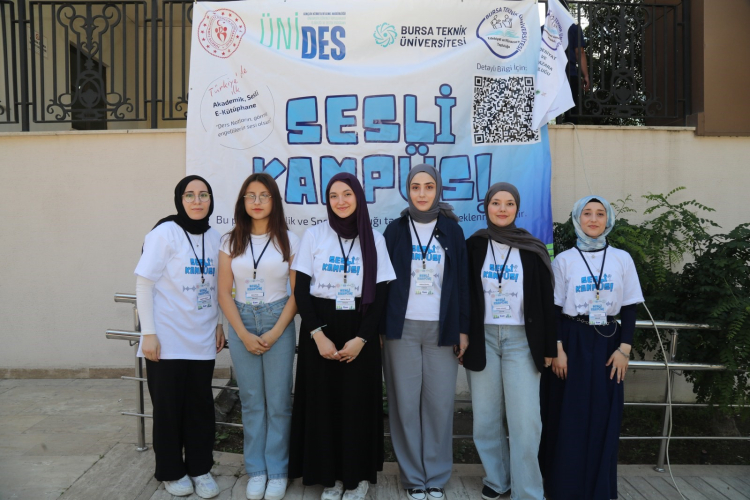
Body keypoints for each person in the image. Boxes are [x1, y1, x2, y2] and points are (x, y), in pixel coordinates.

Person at [288, 173, 396, 500]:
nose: (341, 201)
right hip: (321, 326)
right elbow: (301, 291)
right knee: (322, 404)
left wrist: (362, 339)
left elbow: (381, 294)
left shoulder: (374, 239)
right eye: (334, 195)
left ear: (358, 197)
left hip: (360, 328)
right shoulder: (314, 235)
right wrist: (317, 335)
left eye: (347, 194)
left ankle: (357, 477)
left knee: (357, 405)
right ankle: (330, 478)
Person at [541, 196, 643, 500]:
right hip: (571, 341)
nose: (593, 219)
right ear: (577, 218)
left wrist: (624, 350)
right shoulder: (564, 260)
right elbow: (554, 310)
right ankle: (562, 487)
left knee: (603, 415)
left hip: (609, 343)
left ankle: (599, 489)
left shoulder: (622, 259)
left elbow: (630, 308)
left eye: (600, 214)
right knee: (567, 415)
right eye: (587, 213)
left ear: (608, 219)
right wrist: (557, 348)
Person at [462, 183, 556, 500]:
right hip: (483, 338)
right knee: (485, 420)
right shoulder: (474, 246)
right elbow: (463, 295)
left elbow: (546, 301)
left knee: (526, 423)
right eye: (496, 203)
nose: (502, 209)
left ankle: (527, 491)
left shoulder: (531, 247)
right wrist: (462, 335)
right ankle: (497, 480)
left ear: (517, 208)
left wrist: (549, 346)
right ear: (486, 207)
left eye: (509, 203)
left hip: (522, 341)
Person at [382, 164, 470, 500]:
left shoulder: (452, 230)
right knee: (404, 405)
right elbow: (381, 284)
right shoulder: (395, 230)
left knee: (438, 405)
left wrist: (463, 330)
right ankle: (413, 478)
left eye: (428, 186)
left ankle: (435, 476)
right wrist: (379, 329)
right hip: (400, 331)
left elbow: (462, 285)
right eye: (416, 187)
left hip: (442, 330)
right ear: (407, 190)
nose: (422, 193)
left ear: (438, 189)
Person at [136, 175, 223, 499]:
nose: (197, 201)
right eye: (190, 195)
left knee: (200, 409)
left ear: (211, 200)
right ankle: (171, 471)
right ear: (179, 199)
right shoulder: (164, 233)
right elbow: (144, 284)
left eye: (203, 195)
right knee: (168, 411)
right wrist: (148, 333)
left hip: (202, 339)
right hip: (166, 339)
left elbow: (216, 286)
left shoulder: (215, 237)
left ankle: (200, 468)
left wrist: (218, 323)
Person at [218, 173, 300, 500]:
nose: (257, 201)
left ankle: (277, 471)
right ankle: (256, 470)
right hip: (241, 320)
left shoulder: (289, 241)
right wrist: (242, 333)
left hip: (278, 318)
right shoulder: (230, 241)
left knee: (278, 402)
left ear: (274, 201)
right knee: (252, 401)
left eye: (264, 195)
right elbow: (223, 292)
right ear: (242, 201)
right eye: (250, 195)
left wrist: (276, 331)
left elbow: (297, 293)